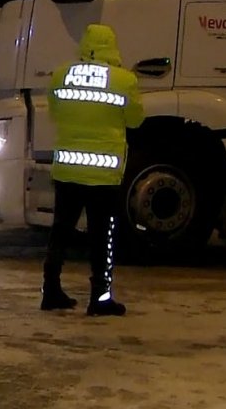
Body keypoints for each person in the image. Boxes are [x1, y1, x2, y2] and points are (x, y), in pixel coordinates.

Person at [42, 23, 144, 316]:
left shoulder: (62, 74)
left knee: (60, 230)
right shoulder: (123, 80)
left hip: (68, 169)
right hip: (104, 174)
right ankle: (99, 298)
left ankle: (50, 290)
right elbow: (136, 120)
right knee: (102, 236)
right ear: (112, 45)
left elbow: (53, 111)